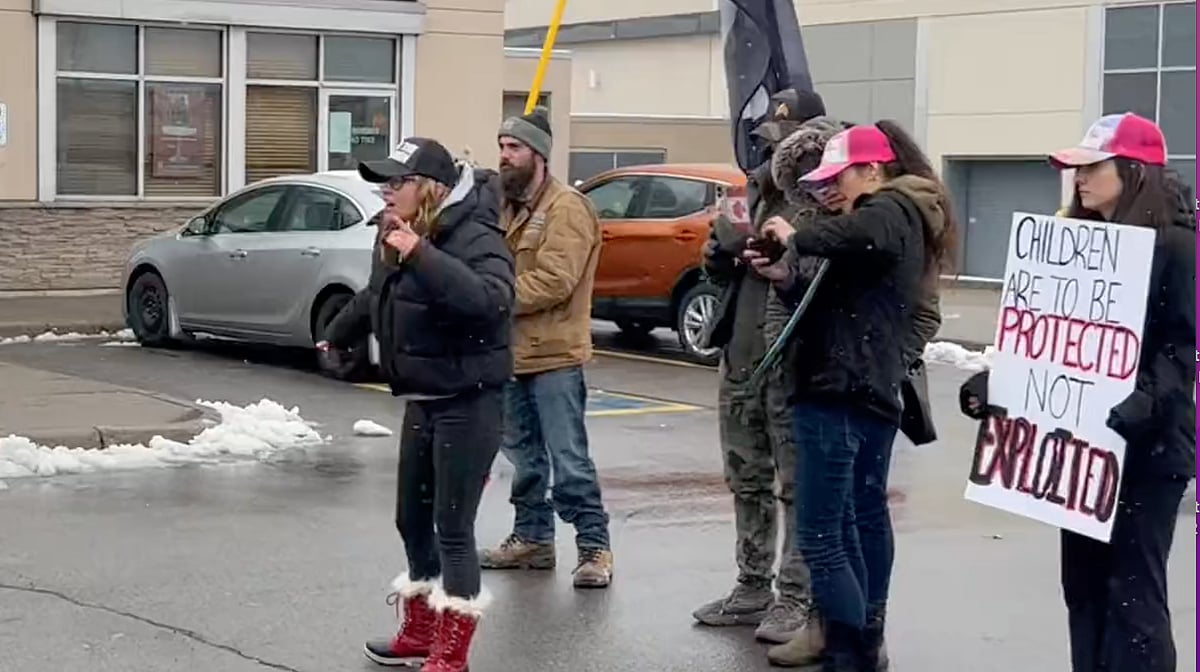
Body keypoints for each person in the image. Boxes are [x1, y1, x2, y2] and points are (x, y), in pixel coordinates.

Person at [959, 112, 1196, 672]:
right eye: (1076, 169)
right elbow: (1049, 344)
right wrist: (1001, 383)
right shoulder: (1075, 244)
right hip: (1083, 453)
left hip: (1147, 452)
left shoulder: (1181, 247)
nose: (1080, 179)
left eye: (1093, 167)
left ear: (1134, 172)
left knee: (1133, 595)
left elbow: (1185, 345)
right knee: (1085, 589)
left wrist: (1148, 399)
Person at [747, 121, 958, 671]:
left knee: (823, 534)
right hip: (863, 390)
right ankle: (863, 640)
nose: (829, 191)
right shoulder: (899, 213)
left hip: (840, 392)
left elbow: (861, 240)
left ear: (874, 169)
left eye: (840, 177)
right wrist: (786, 277)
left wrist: (797, 237)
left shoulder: (889, 211)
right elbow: (844, 296)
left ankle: (854, 653)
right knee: (858, 520)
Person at [320, 137, 515, 671]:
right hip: (423, 399)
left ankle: (452, 653)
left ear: (430, 188)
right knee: (412, 520)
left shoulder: (475, 234)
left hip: (469, 402)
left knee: (452, 528)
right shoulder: (397, 233)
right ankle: (420, 630)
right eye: (384, 182)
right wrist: (338, 334)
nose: (385, 191)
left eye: (396, 182)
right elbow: (377, 295)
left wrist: (422, 254)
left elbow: (490, 302)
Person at [693, 90, 837, 648]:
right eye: (766, 143)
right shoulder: (751, 190)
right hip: (742, 352)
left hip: (792, 360)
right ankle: (751, 584)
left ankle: (795, 598)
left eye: (780, 143)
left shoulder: (823, 195)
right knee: (744, 475)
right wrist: (721, 249)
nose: (770, 155)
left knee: (796, 486)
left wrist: (783, 253)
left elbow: (825, 269)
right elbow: (715, 264)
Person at [478, 106, 615, 589]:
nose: (504, 157)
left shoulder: (567, 209)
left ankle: (594, 547)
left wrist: (489, 296)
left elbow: (555, 281)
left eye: (513, 148)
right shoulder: (507, 206)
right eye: (501, 148)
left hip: (555, 356)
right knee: (525, 459)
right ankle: (532, 539)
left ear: (538, 154)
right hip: (513, 354)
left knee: (568, 459)